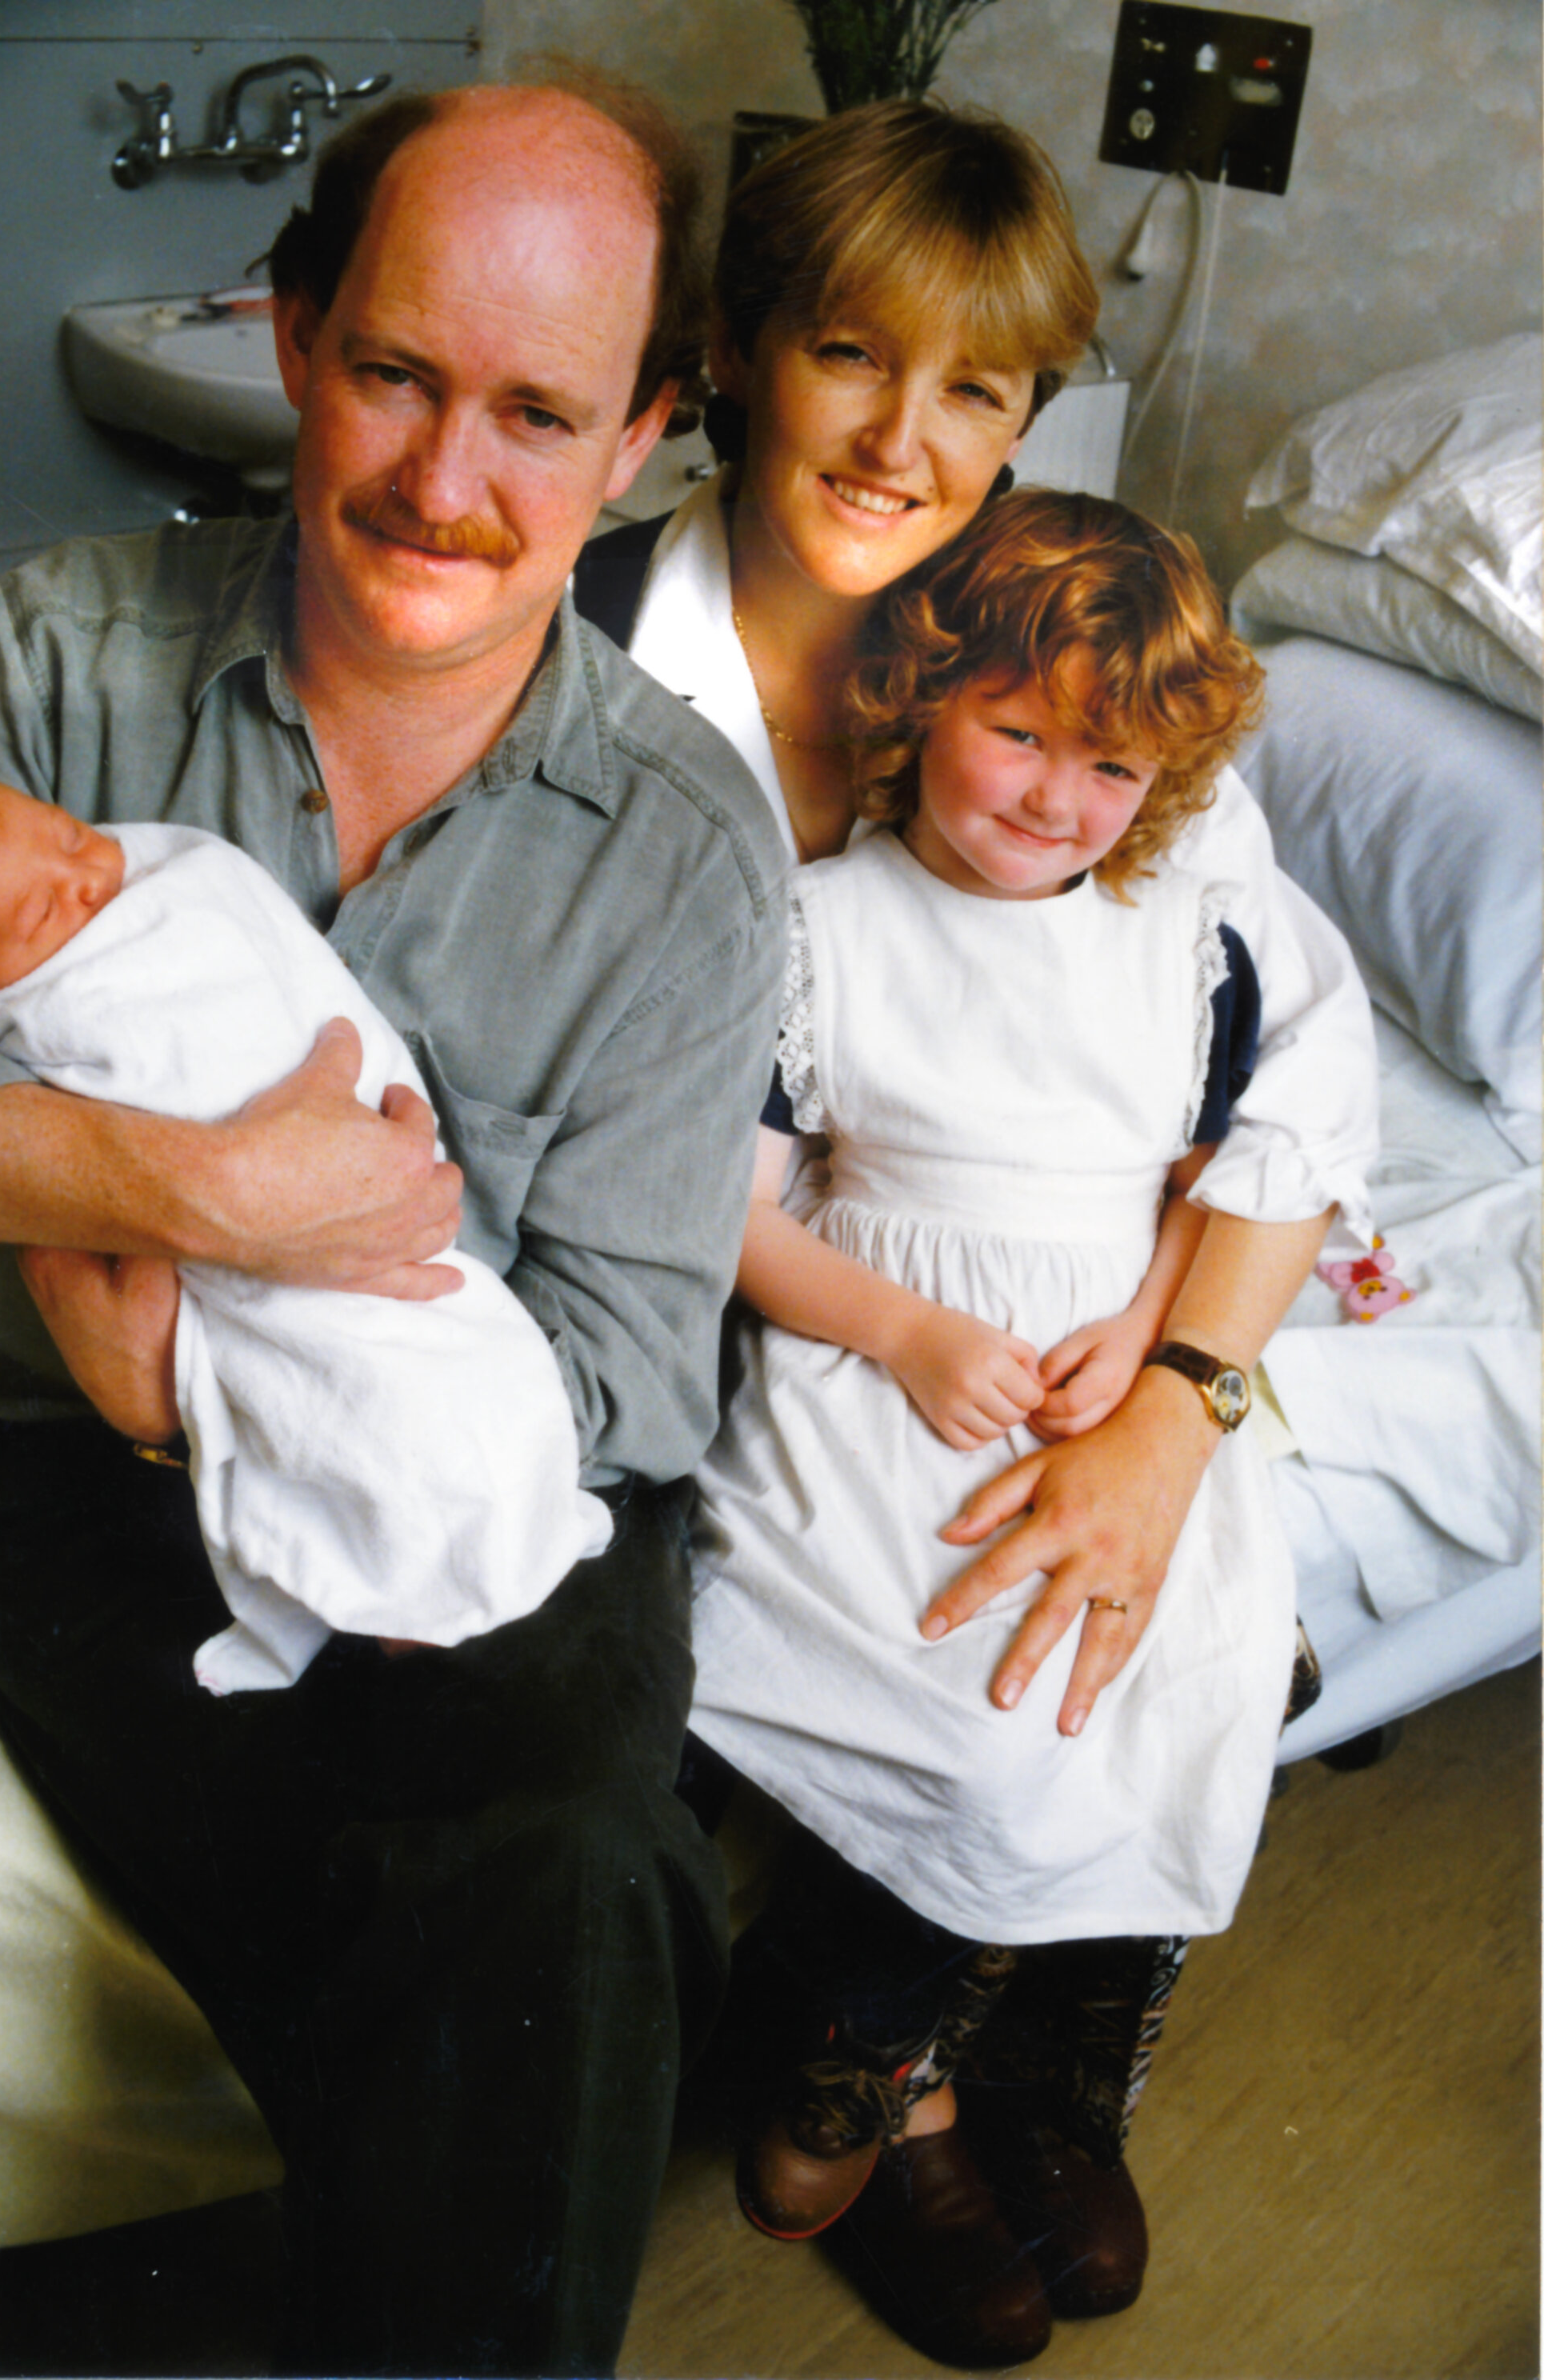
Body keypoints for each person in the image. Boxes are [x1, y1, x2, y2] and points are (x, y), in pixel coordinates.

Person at [0, 75, 786, 2379]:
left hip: (473, 1480)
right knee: (477, 1938)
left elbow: (626, 1382)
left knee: (568, 1863)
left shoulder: (683, 855)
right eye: (400, 370)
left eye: (540, 413)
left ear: (641, 437)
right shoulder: (38, 674)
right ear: (296, 333)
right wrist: (159, 1194)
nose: (445, 481)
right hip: (38, 1462)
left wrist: (253, 1383)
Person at [573, 97, 1378, 2333]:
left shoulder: (1085, 634)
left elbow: (1278, 1057)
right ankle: (889, 2078)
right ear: (736, 353)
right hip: (734, 1293)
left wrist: (1174, 1399)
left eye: (981, 388)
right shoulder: (595, 650)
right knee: (921, 1648)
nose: (904, 440)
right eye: (850, 353)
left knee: (1182, 1622)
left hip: (1087, 1324)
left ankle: (1034, 2051)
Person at [686, 490, 1374, 2366]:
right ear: (922, 699)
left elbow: (1213, 1186)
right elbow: (734, 1214)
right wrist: (903, 1328)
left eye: (1109, 766)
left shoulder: (1181, 934)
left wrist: (1148, 1347)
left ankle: (1033, 2070)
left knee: (1201, 1659)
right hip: (885, 1357)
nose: (1057, 799)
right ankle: (872, 2067)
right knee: (974, 1704)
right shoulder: (820, 925)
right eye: (1015, 732)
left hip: (1104, 1359)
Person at [0, 770, 613, 1694]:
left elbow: (636, 1354)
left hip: (430, 1275)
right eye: (45, 911)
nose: (93, 881)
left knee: (464, 1405)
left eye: (68, 835)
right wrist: (221, 1197)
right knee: (367, 1423)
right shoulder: (30, 704)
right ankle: (403, 1590)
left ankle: (459, 1555)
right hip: (68, 1439)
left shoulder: (183, 886)